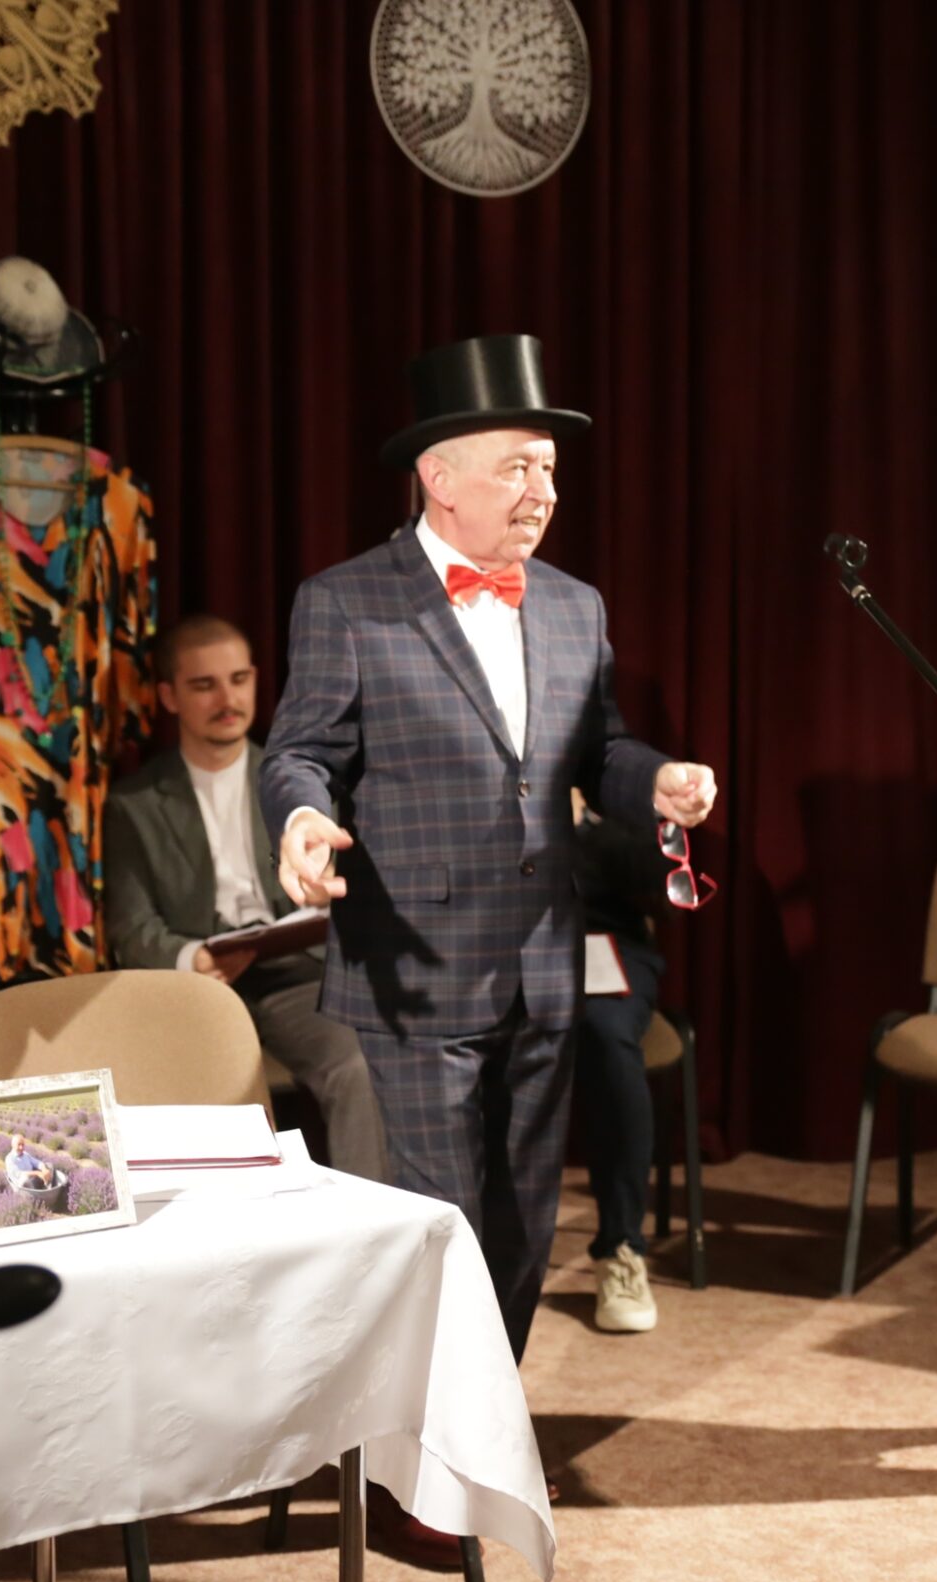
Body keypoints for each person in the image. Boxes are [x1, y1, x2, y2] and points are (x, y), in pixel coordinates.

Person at [262, 332, 718, 1377]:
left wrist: (655, 780)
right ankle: (429, 1446)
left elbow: (597, 749)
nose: (543, 492)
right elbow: (301, 751)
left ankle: (482, 1423)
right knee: (444, 1226)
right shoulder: (348, 600)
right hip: (414, 970)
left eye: (549, 469)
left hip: (543, 968)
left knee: (520, 1227)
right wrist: (300, 821)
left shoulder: (572, 604)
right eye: (518, 467)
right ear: (440, 475)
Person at [104, 614, 387, 1181]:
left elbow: (342, 888)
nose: (227, 700)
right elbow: (131, 928)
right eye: (204, 685)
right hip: (194, 991)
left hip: (296, 976)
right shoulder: (133, 802)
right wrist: (194, 959)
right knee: (194, 1089)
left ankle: (374, 1224)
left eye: (238, 680)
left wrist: (325, 898)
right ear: (169, 696)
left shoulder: (297, 787)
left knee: (360, 1062)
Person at [571, 787, 685, 1333]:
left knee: (608, 1034)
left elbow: (660, 886)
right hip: (497, 948)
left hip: (606, 943)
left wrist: (581, 823)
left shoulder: (620, 781)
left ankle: (621, 1247)